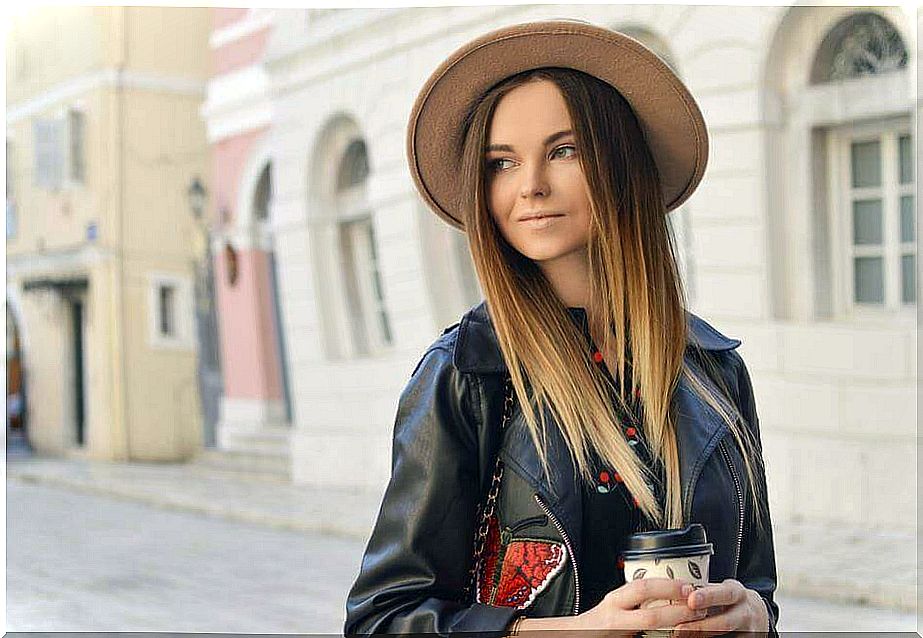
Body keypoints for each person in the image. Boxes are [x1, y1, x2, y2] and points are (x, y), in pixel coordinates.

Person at [345, 19, 779, 637]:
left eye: (563, 150)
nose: (531, 186)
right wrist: (574, 632)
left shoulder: (714, 369)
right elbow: (381, 621)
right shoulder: (468, 373)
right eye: (502, 163)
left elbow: (758, 584)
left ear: (619, 163)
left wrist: (756, 615)